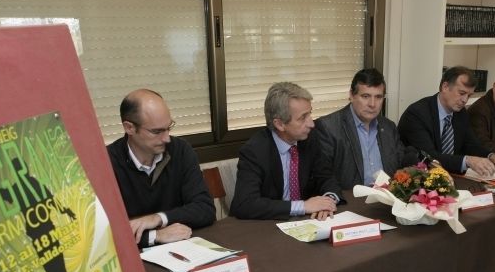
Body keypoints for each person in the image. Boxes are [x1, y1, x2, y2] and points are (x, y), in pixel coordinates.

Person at [107, 89, 215, 247]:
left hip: (182, 249)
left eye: (168, 128)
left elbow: (205, 209)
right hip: (132, 260)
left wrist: (159, 218)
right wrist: (156, 235)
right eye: (156, 131)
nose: (166, 138)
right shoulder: (107, 163)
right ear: (129, 128)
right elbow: (102, 234)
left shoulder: (180, 150)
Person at [231, 82, 342, 220]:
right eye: (302, 118)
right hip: (266, 228)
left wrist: (327, 201)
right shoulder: (255, 151)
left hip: (304, 224)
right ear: (280, 124)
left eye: (310, 114)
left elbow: (326, 177)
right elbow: (245, 204)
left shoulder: (309, 138)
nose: (311, 124)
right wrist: (302, 206)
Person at [398, 66, 495, 176]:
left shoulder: (460, 113)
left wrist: (492, 156)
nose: (465, 100)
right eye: (462, 93)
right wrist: (468, 161)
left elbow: (471, 144)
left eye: (469, 95)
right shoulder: (417, 114)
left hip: (450, 177)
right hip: (417, 179)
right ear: (445, 87)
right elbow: (430, 158)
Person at [315, 68, 419, 189]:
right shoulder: (328, 127)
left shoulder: (388, 127)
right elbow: (323, 177)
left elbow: (401, 165)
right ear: (351, 95)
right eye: (365, 96)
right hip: (350, 202)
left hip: (386, 199)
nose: (372, 104)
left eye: (378, 97)